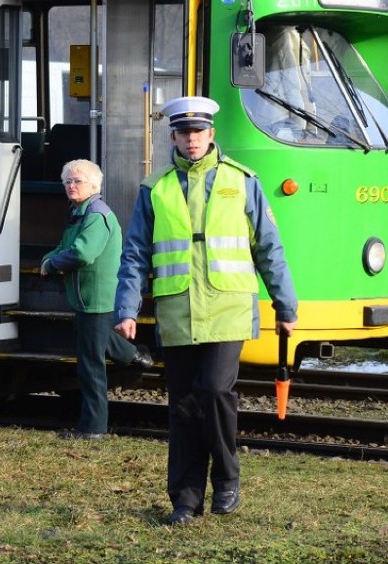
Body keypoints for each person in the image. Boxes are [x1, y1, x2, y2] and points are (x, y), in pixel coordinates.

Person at [113, 97, 298, 524]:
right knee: (183, 406)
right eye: (184, 132)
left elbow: (268, 247)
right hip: (178, 310)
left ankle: (228, 478)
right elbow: (135, 253)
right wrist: (126, 308)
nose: (192, 140)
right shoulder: (153, 188)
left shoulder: (243, 181)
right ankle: (185, 499)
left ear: (211, 134)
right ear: (173, 136)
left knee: (215, 391)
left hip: (227, 308)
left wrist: (285, 304)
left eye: (199, 132)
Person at [41, 159, 153, 440]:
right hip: (87, 299)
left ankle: (93, 429)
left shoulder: (95, 215)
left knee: (90, 366)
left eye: (77, 181)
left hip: (97, 300)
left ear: (93, 185)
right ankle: (135, 354)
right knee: (98, 342)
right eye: (67, 181)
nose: (71, 186)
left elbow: (82, 253)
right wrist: (49, 259)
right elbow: (65, 246)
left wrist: (53, 265)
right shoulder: (80, 212)